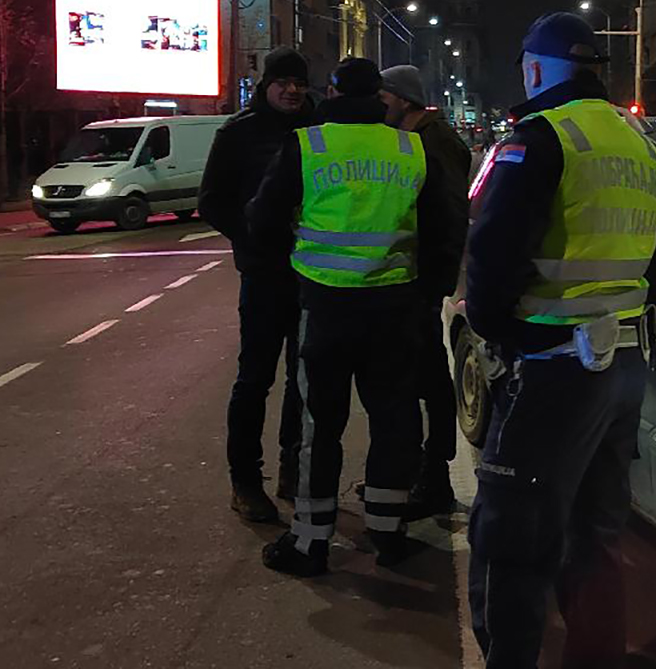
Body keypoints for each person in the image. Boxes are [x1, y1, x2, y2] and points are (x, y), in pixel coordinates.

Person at [464, 12, 656, 668]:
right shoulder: (642, 145)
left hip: (553, 366)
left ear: (533, 69)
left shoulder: (541, 139)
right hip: (624, 364)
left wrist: (500, 334)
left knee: (513, 537)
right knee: (596, 535)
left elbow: (492, 256)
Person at [245, 57, 464, 576]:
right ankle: (387, 532)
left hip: (325, 307)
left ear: (333, 92)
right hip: (393, 308)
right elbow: (444, 228)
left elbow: (262, 218)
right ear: (378, 98)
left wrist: (291, 264)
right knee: (393, 419)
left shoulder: (309, 145)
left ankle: (310, 540)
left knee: (319, 425)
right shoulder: (410, 148)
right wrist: (426, 292)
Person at [199, 48, 316, 524]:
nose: (292, 90)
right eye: (283, 82)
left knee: (303, 381)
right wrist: (251, 237)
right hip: (265, 275)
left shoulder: (319, 129)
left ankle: (293, 468)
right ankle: (245, 481)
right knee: (255, 379)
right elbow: (212, 201)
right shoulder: (238, 133)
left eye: (299, 83)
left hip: (313, 275)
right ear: (266, 84)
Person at [379, 65, 474, 519]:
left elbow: (450, 216)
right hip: (414, 280)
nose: (377, 107)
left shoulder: (433, 143)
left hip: (421, 283)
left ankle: (433, 475)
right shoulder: (417, 138)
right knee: (416, 377)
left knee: (428, 380)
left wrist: (434, 282)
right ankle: (419, 471)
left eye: (383, 98)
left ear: (403, 99)